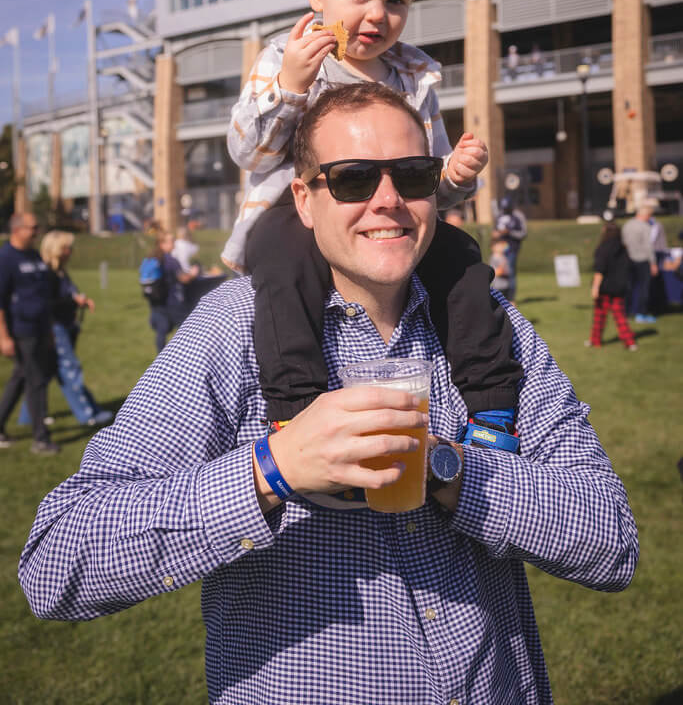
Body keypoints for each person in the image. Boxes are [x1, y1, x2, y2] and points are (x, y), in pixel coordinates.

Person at [19, 85, 638, 704]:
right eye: (352, 180)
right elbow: (56, 562)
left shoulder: (491, 326)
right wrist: (272, 470)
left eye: (414, 175)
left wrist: (452, 469)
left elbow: (613, 544)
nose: (388, 201)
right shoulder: (235, 328)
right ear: (304, 200)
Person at [224, 0, 521, 450]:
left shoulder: (415, 76)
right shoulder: (287, 57)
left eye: (396, 0)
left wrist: (454, 173)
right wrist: (289, 86)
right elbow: (250, 153)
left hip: (392, 220)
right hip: (298, 212)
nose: (376, 14)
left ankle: (492, 409)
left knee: (462, 260)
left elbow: (423, 189)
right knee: (282, 262)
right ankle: (296, 414)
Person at [17, 231, 113, 427]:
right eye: (66, 248)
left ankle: (30, 416)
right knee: (69, 369)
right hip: (54, 327)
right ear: (56, 250)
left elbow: (67, 294)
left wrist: (79, 300)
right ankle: (87, 414)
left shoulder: (60, 271)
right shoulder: (47, 273)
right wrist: (72, 300)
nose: (71, 251)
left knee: (45, 371)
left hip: (64, 325)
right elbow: (47, 302)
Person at [0, 213, 59, 454]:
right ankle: (41, 439)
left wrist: (49, 330)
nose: (37, 232)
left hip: (39, 329)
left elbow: (43, 295)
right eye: (32, 228)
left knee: (20, 379)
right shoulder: (5, 258)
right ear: (17, 229)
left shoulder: (34, 256)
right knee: (36, 381)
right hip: (20, 330)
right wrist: (3, 336)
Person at [585, 222, 637, 351]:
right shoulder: (623, 248)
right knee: (620, 317)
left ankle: (595, 341)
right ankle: (630, 342)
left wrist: (595, 287)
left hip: (605, 288)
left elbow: (600, 269)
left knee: (599, 317)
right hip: (619, 287)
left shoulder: (603, 248)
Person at [148, 231, 199, 353]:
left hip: (157, 300)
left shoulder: (152, 258)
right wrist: (192, 274)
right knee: (186, 329)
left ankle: (160, 358)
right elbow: (184, 279)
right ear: (162, 244)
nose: (174, 243)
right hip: (173, 301)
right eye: (171, 241)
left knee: (162, 330)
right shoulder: (171, 260)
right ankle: (187, 355)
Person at [622, 203, 658, 323]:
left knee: (629, 287)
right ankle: (641, 313)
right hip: (643, 260)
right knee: (644, 288)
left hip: (628, 260)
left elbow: (623, 243)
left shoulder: (627, 225)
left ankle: (626, 312)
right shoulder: (645, 227)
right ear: (646, 215)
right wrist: (653, 263)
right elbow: (648, 246)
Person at [494, 195, 527, 303]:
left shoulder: (518, 216)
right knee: (498, 273)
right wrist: (496, 235)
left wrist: (509, 232)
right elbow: (496, 229)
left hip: (512, 249)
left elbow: (523, 233)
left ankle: (511, 298)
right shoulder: (500, 215)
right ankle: (500, 297)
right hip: (499, 249)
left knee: (510, 272)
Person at [489, 232, 511, 297]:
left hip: (505, 285)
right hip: (498, 286)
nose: (501, 247)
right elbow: (497, 272)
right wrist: (503, 270)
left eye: (502, 246)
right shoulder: (494, 258)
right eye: (498, 246)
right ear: (493, 247)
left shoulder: (503, 257)